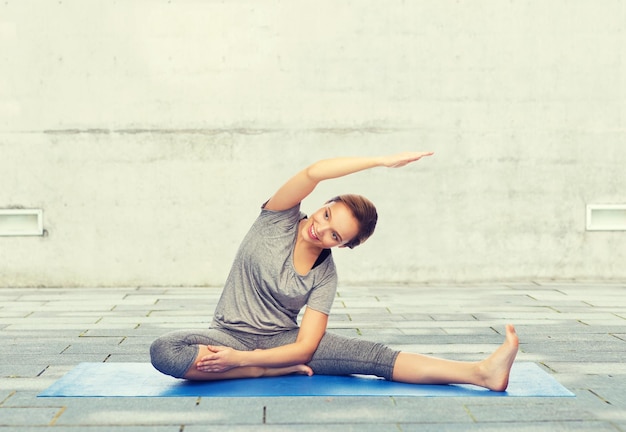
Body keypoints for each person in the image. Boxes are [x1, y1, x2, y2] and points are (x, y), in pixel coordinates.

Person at [150, 151, 519, 391]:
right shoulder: (276, 219)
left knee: (373, 357)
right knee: (165, 351)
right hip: (228, 334)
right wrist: (378, 162)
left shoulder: (325, 275)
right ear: (323, 204)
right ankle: (261, 373)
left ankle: (480, 373)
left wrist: (242, 360)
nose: (320, 229)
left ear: (343, 245)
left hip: (284, 344)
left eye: (335, 234)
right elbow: (314, 171)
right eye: (326, 215)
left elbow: (306, 346)